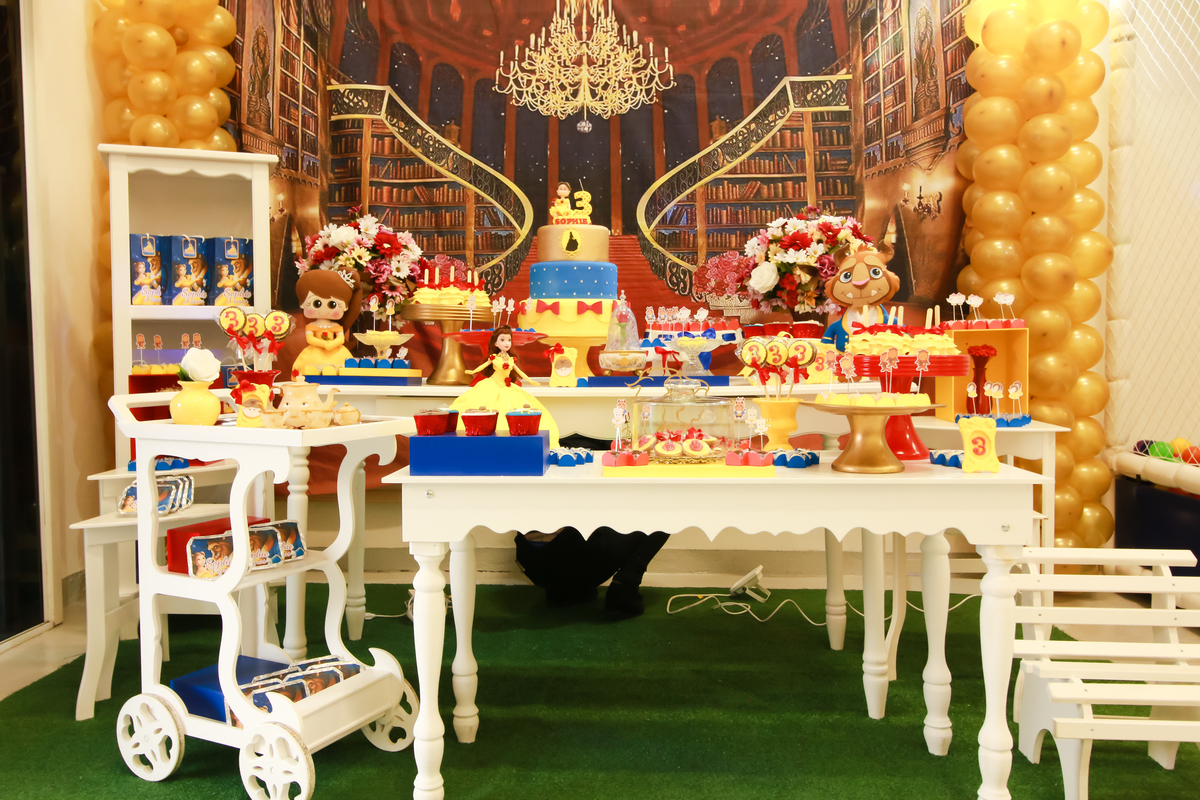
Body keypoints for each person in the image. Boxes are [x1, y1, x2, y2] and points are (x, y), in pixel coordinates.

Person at [515, 526, 669, 617]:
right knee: (667, 506)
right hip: (580, 561)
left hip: (532, 565)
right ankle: (625, 586)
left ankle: (563, 592)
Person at [450, 325, 559, 446]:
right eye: (502, 340)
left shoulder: (511, 359)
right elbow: (484, 365)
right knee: (483, 407)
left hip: (507, 387)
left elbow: (519, 371)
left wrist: (530, 381)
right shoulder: (494, 358)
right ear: (496, 343)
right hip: (492, 385)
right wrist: (472, 371)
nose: (506, 343)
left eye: (509, 340)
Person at [290, 266, 363, 379]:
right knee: (309, 369)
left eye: (332, 305)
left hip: (336, 352)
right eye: (317, 304)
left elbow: (340, 338)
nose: (323, 311)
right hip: (314, 353)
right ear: (302, 304)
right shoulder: (312, 326)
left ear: (346, 307)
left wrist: (332, 344)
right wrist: (324, 344)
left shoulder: (336, 326)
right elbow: (310, 339)